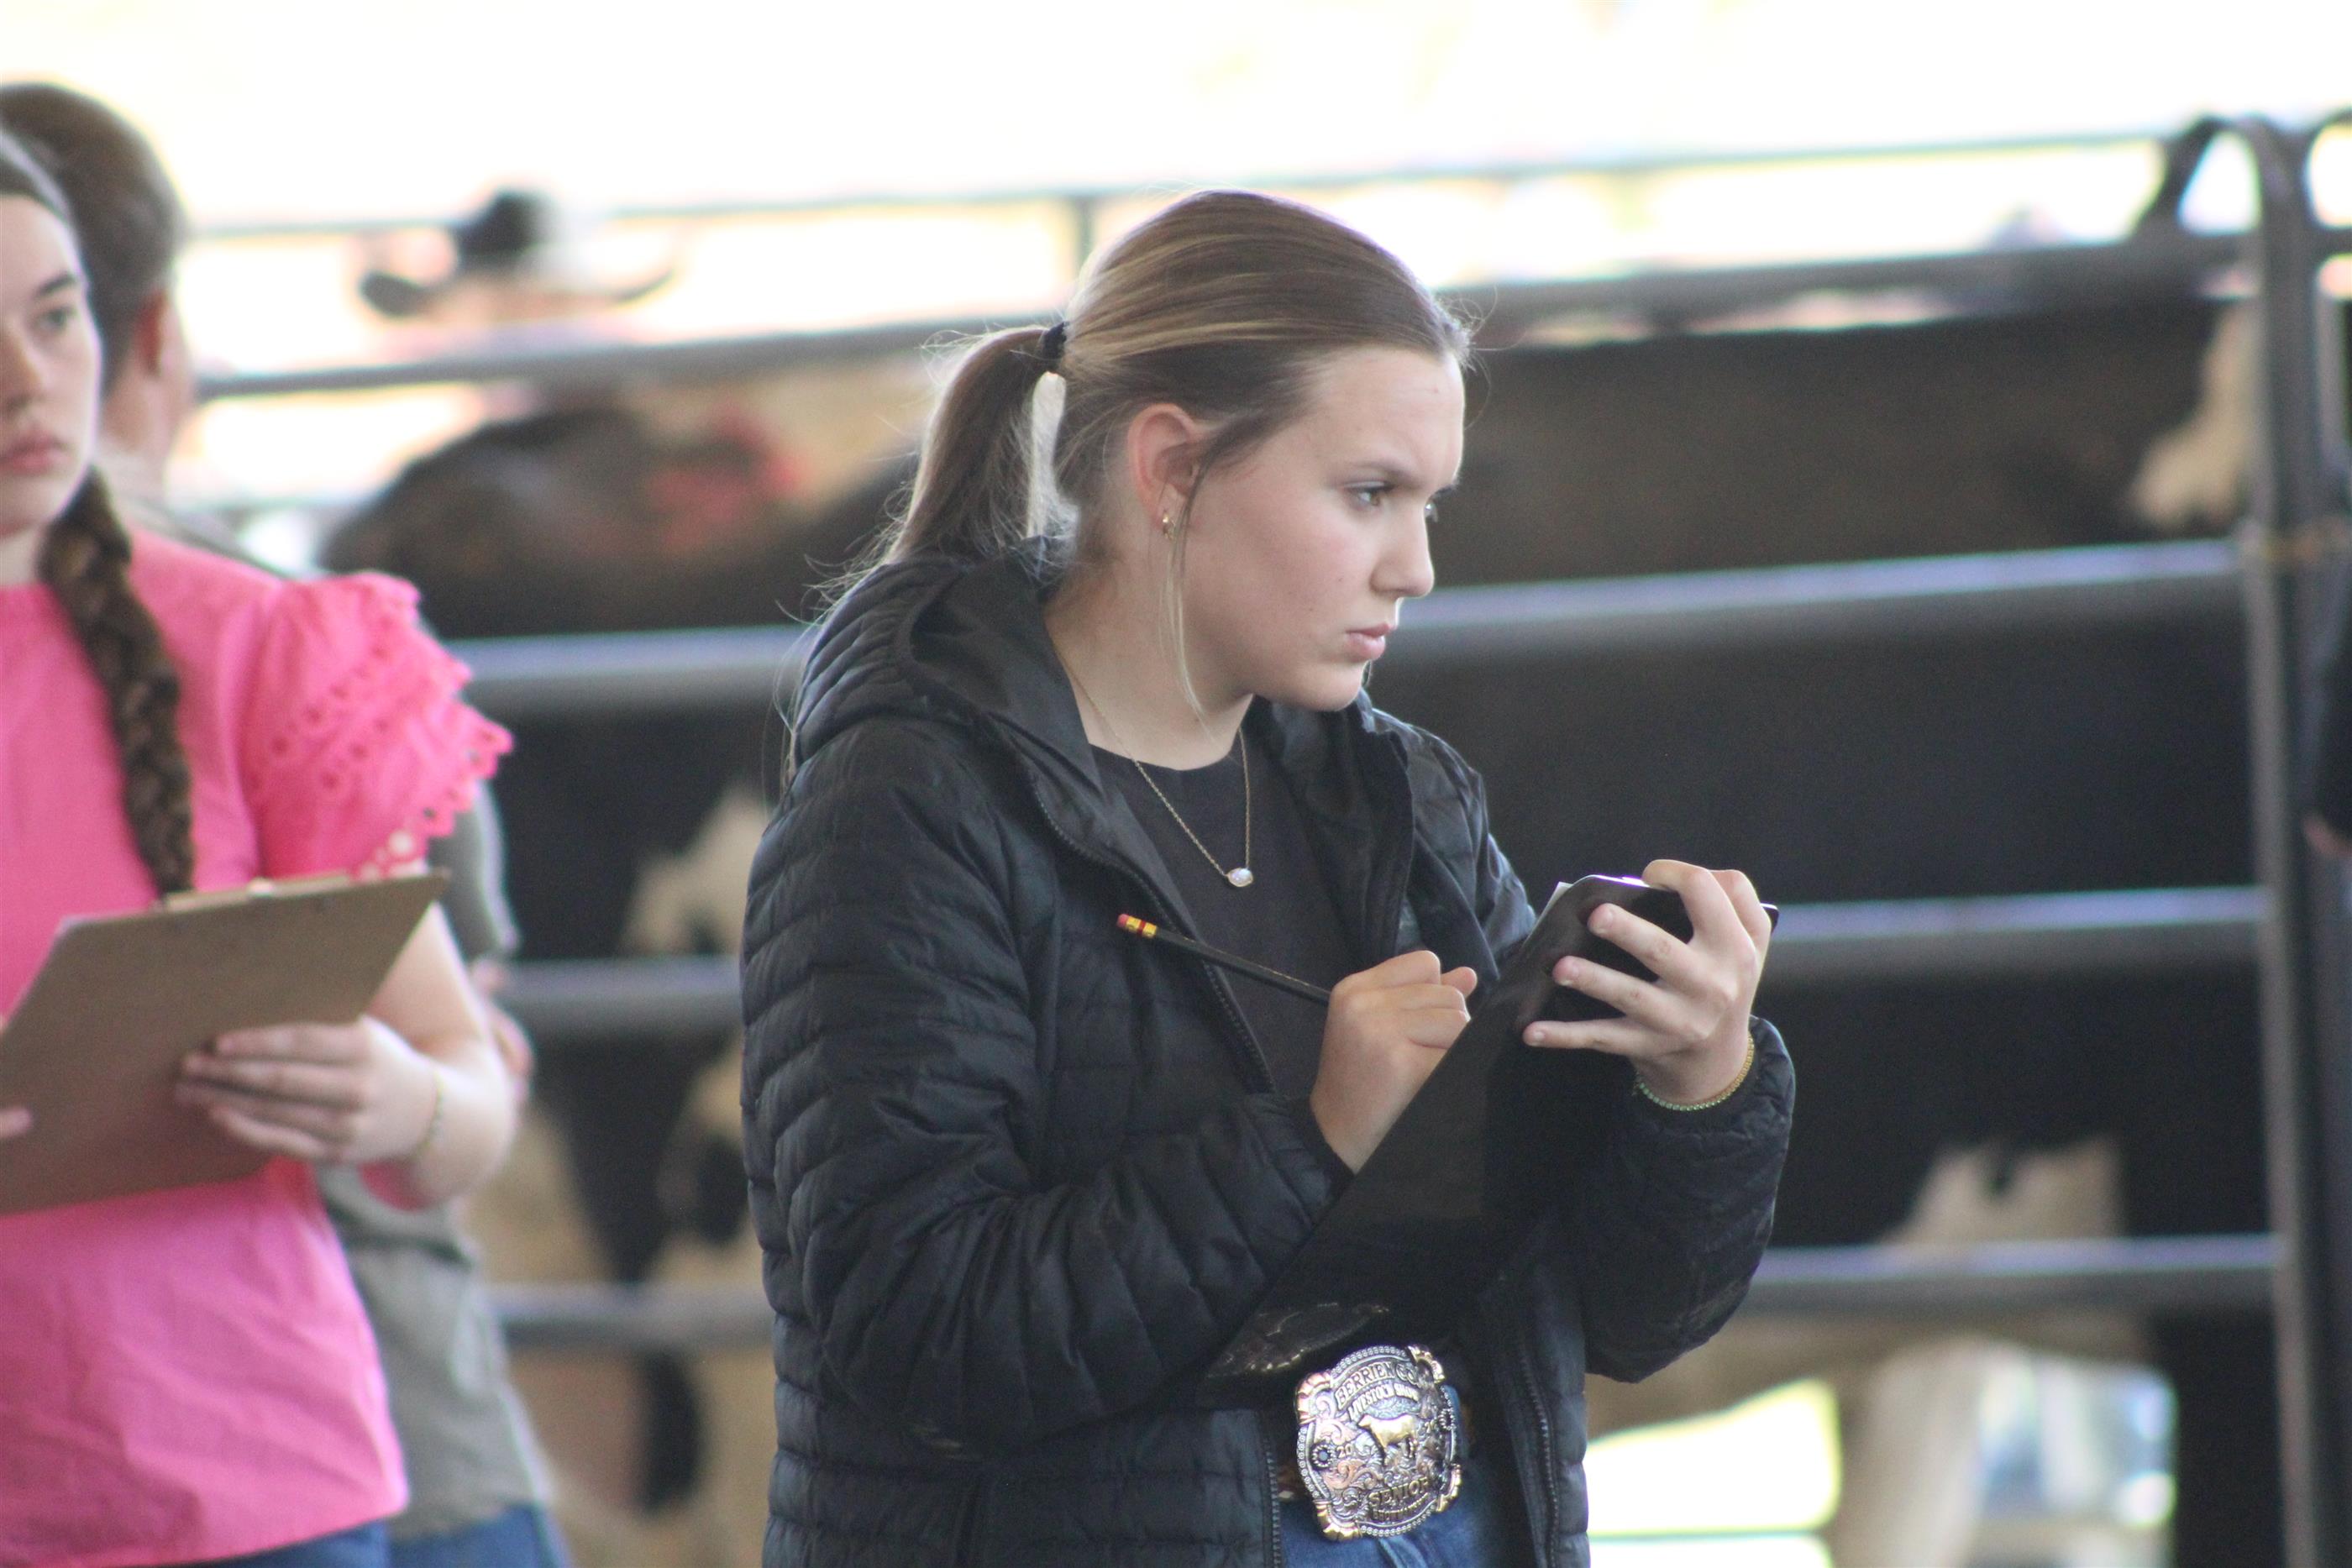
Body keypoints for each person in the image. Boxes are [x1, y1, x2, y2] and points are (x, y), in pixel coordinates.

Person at [740, 188, 1794, 1566]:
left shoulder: (1403, 792)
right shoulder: (908, 806)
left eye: (1426, 504)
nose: (1416, 567)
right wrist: (1311, 1143)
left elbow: (1615, 1317)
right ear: (1171, 468)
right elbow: (917, 1333)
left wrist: (1696, 1087)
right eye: (1367, 495)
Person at [0, 81, 571, 1568]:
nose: (27, 381)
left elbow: (466, 1091)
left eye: (56, 318)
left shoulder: (258, 646)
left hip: (252, 1479)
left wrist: (397, 1102)